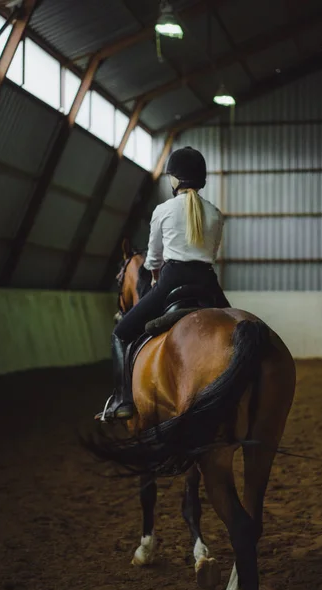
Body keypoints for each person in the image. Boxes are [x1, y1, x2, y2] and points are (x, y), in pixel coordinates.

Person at [96, 146, 230, 422]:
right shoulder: (216, 214)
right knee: (237, 332)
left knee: (120, 334)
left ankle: (122, 400)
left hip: (171, 282)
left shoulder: (163, 210)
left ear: (174, 179)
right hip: (207, 284)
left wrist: (155, 277)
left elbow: (152, 260)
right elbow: (212, 255)